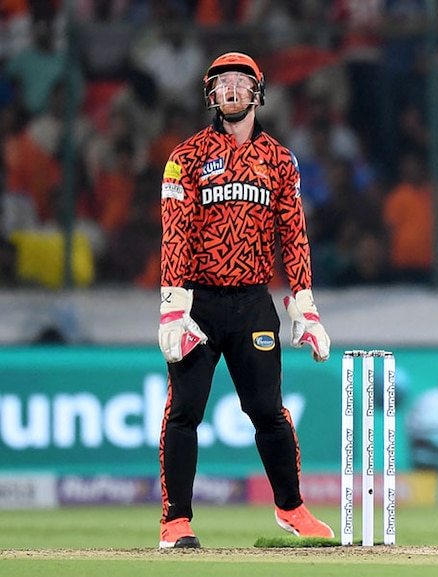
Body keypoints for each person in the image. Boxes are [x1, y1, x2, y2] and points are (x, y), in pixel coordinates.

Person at [157, 52, 333, 549]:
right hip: (199, 301)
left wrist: (304, 305)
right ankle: (177, 521)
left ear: (257, 92)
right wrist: (173, 305)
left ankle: (291, 508)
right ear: (209, 94)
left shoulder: (279, 159)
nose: (230, 90)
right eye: (221, 83)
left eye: (240, 82)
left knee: (268, 410)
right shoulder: (185, 157)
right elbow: (176, 233)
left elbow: (293, 236)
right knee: (184, 411)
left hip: (254, 301)